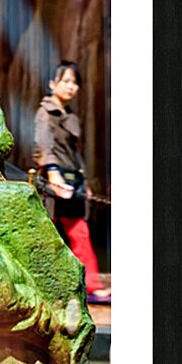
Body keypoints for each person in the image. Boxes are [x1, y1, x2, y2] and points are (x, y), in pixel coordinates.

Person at [33, 61, 111, 301]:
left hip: (71, 179)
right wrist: (53, 173)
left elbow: (75, 153)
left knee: (76, 232)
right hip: (53, 182)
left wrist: (83, 182)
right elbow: (42, 144)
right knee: (48, 233)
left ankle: (89, 284)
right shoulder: (45, 113)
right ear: (52, 84)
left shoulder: (70, 115)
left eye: (74, 82)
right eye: (65, 81)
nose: (71, 87)